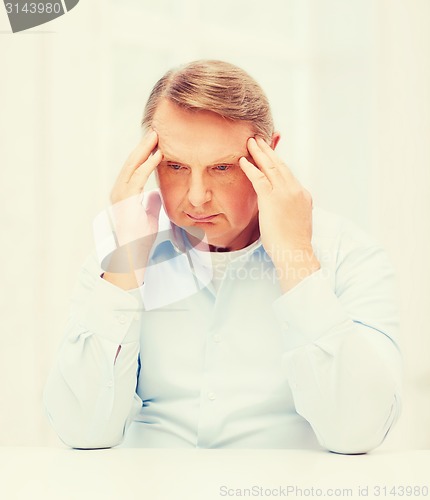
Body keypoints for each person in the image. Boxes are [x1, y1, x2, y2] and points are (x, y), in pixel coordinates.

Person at [44, 60, 401, 453]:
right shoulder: (118, 255)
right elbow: (81, 432)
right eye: (175, 165)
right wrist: (125, 266)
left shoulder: (348, 255)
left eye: (222, 167)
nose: (197, 196)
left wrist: (296, 258)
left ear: (271, 156)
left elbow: (358, 434)